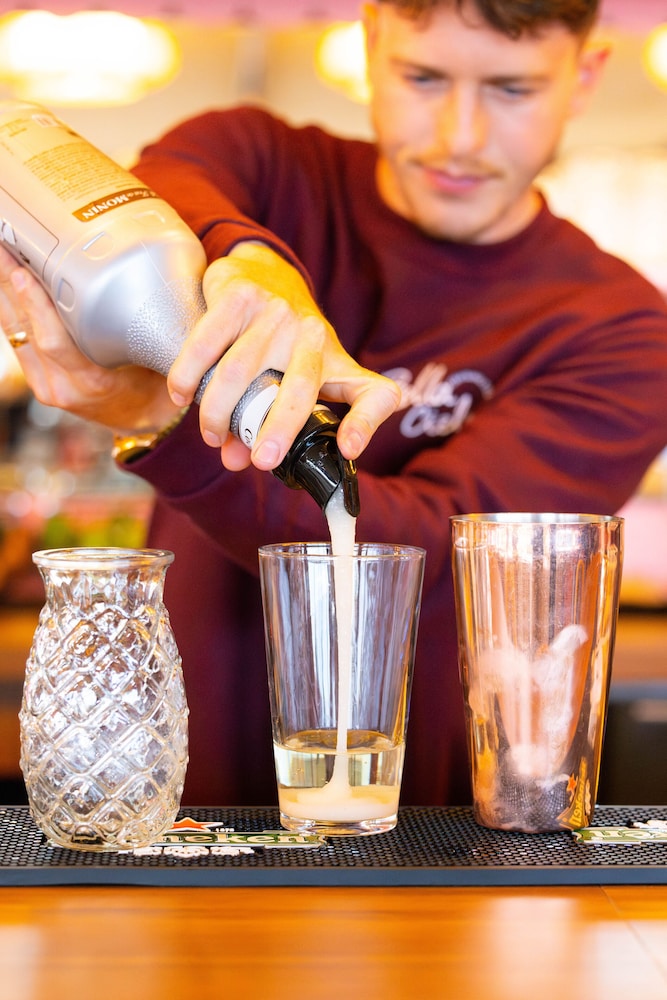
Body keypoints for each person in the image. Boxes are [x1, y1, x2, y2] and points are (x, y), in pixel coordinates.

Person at [2, 0, 667, 806]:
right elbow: (171, 181)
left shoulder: (619, 327)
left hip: (413, 813)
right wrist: (253, 261)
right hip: (186, 777)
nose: (458, 135)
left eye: (510, 89)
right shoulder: (267, 164)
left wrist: (160, 417)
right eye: (422, 77)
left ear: (584, 75)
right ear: (371, 41)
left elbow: (434, 551)